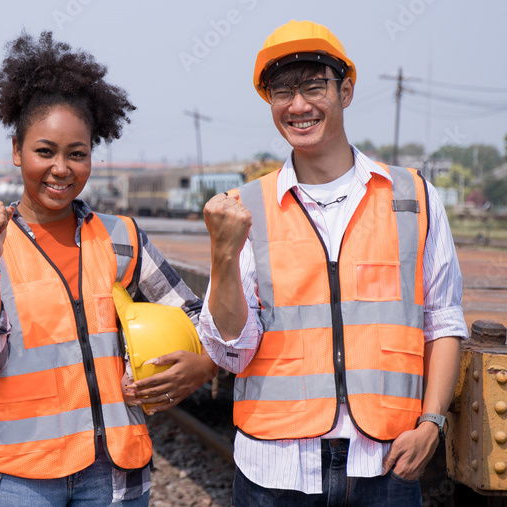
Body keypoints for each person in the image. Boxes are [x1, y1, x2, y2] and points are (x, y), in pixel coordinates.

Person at [0, 31, 218, 506]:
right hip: (21, 476)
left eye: (78, 154)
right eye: (45, 151)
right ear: (17, 151)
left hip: (115, 472)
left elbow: (195, 316)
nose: (61, 168)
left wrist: (201, 365)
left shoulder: (121, 237)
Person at [200, 20, 467, 506]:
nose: (298, 105)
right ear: (270, 103)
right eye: (282, 91)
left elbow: (443, 320)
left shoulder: (413, 198)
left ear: (345, 91)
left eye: (313, 86)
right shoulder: (245, 209)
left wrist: (432, 422)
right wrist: (221, 253)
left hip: (386, 466)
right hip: (273, 471)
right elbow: (230, 354)